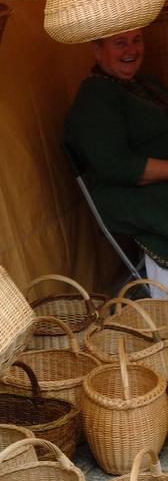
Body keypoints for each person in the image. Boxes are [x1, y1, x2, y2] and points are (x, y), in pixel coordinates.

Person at [64, 27, 168, 295]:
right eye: (120, 43)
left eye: (137, 40)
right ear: (97, 50)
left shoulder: (145, 83)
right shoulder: (95, 96)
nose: (132, 50)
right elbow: (117, 165)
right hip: (122, 192)